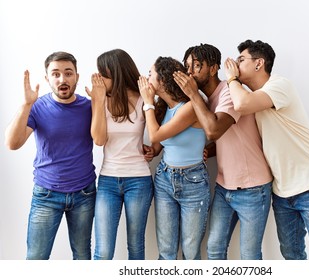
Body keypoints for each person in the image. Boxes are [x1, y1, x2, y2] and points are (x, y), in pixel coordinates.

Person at [224, 39, 309, 260]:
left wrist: (231, 77)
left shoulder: (279, 85)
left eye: (241, 59)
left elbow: (242, 104)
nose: (235, 64)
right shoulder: (253, 96)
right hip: (282, 192)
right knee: (291, 255)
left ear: (259, 63)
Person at [173, 44, 273, 260]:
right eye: (187, 66)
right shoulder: (207, 100)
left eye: (197, 66)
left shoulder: (229, 92)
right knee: (215, 249)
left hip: (252, 188)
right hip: (223, 187)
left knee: (249, 257)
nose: (190, 72)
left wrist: (192, 94)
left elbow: (214, 129)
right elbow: (227, 135)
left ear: (213, 68)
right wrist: (210, 150)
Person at [4, 51, 96, 260]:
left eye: (68, 73)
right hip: (46, 194)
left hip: (84, 194)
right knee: (36, 258)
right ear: (47, 79)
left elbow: (102, 138)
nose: (62, 79)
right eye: (55, 74)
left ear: (77, 77)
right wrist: (26, 105)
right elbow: (12, 143)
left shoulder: (89, 107)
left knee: (82, 256)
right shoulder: (37, 107)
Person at [137, 56, 210, 260]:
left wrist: (148, 102)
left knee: (190, 251)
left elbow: (155, 134)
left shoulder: (189, 107)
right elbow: (159, 142)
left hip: (193, 182)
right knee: (166, 251)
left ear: (163, 79)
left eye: (150, 73)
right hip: (164, 179)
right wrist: (153, 151)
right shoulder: (165, 108)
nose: (146, 77)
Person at [85, 49, 154, 260]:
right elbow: (98, 140)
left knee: (135, 246)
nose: (98, 79)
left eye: (102, 74)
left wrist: (150, 148)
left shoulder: (144, 98)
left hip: (139, 180)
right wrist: (97, 101)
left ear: (116, 73)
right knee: (103, 251)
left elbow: (156, 134)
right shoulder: (101, 100)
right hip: (108, 180)